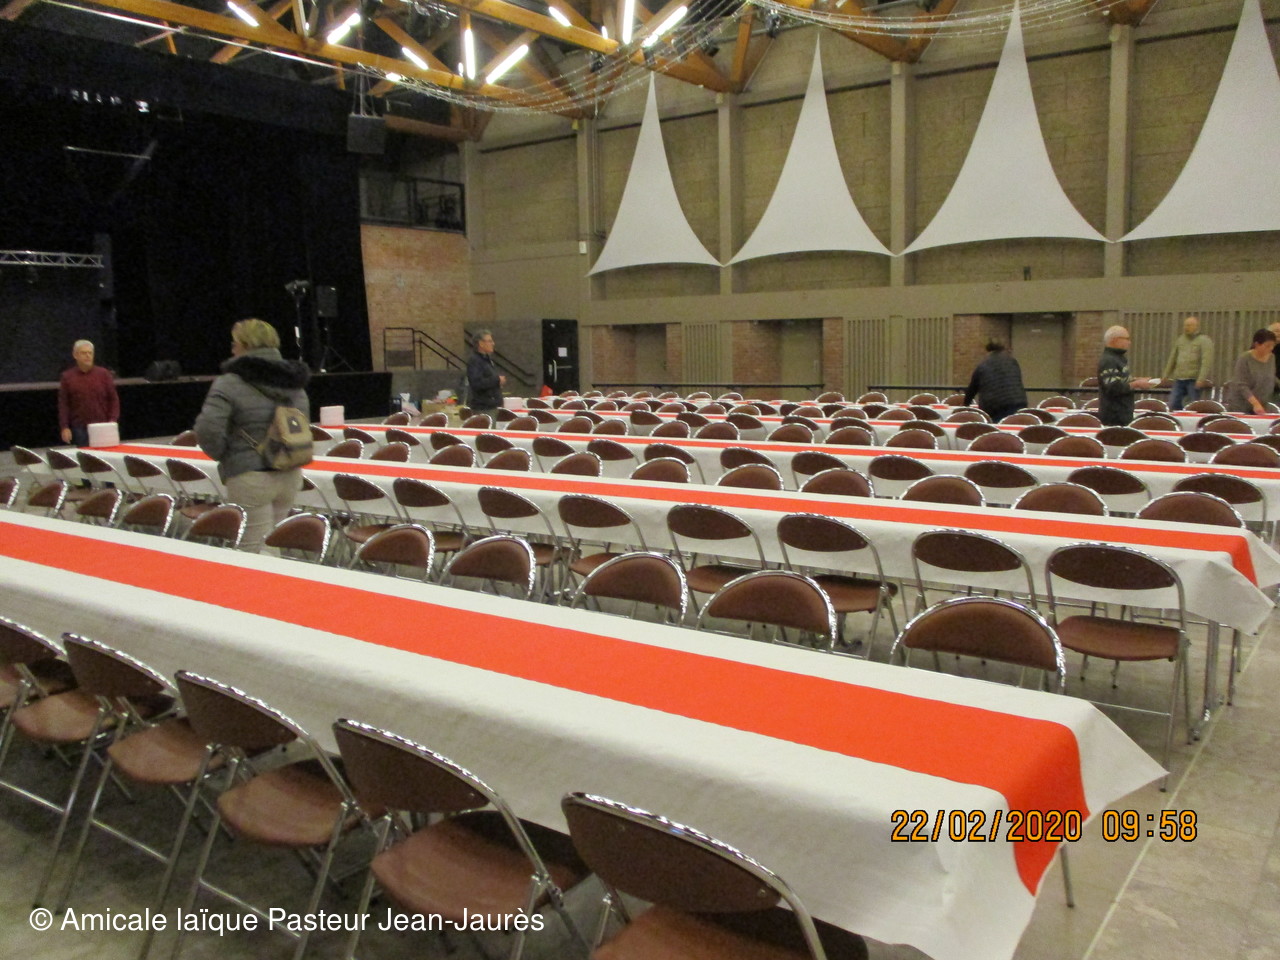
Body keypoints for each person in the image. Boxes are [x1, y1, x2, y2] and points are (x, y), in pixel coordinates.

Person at [194, 319, 310, 552]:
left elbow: (208, 429)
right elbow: (302, 421)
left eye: (234, 343)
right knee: (274, 542)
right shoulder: (295, 382)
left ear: (246, 345)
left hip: (249, 473)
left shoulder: (229, 383)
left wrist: (226, 455)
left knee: (253, 548)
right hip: (289, 470)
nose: (232, 349)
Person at [58, 339, 120, 446]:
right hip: (80, 428)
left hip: (102, 426)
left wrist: (112, 420)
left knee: (103, 454)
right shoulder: (67, 377)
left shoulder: (104, 374)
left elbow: (113, 399)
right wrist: (64, 427)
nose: (87, 356)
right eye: (83, 353)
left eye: (90, 353)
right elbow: (64, 404)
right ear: (75, 355)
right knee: (84, 454)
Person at [963, 340, 1027, 422]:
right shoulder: (1012, 361)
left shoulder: (983, 365)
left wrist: (965, 404)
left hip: (995, 406)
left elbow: (972, 389)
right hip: (1019, 402)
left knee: (998, 427)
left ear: (988, 352)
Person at [1160, 315, 1214, 410]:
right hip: (1179, 378)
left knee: (1192, 405)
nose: (1186, 328)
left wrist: (1201, 379)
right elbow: (1173, 358)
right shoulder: (1180, 340)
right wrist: (1166, 375)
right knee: (1173, 403)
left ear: (1196, 326)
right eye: (1185, 325)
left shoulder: (1204, 341)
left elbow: (1206, 361)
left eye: (1189, 325)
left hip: (1194, 379)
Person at [1097, 326, 1143, 427]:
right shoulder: (1109, 360)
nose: (1129, 342)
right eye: (1127, 339)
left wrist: (1136, 380)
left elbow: (1121, 380)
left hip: (1124, 412)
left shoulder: (1119, 358)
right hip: (1114, 416)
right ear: (1115, 340)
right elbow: (1113, 388)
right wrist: (1135, 384)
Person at [1224, 329, 1277, 415]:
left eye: (1273, 345)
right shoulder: (1244, 358)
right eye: (1267, 346)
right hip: (1241, 405)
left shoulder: (1272, 358)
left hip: (1262, 404)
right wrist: (1255, 403)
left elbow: (1271, 377)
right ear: (1257, 344)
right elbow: (1241, 385)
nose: (1271, 348)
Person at [466, 329, 505, 419]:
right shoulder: (475, 361)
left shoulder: (487, 359)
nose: (493, 343)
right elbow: (476, 383)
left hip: (492, 405)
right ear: (481, 343)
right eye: (490, 341)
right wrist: (497, 380)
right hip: (483, 408)